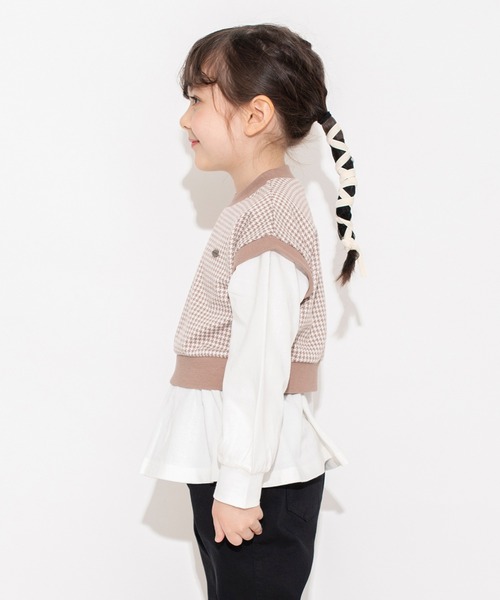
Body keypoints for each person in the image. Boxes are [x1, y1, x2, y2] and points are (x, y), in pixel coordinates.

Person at [140, 23, 361, 600]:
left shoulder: (269, 219)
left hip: (256, 483)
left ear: (256, 115)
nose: (184, 119)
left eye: (197, 100)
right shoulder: (258, 208)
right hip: (241, 471)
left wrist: (239, 487)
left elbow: (260, 363)